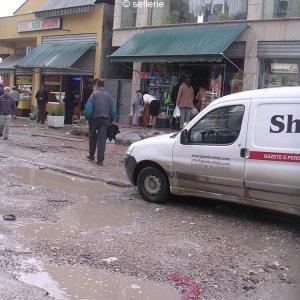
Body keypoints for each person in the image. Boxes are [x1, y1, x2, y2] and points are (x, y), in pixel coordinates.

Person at [86, 78, 115, 166]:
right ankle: (100, 160)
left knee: (92, 136)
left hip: (94, 119)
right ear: (103, 85)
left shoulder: (93, 95)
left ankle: (91, 155)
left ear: (97, 85)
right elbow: (113, 111)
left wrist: (88, 118)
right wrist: (111, 120)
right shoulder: (109, 96)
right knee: (102, 140)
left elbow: (88, 109)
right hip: (105, 120)